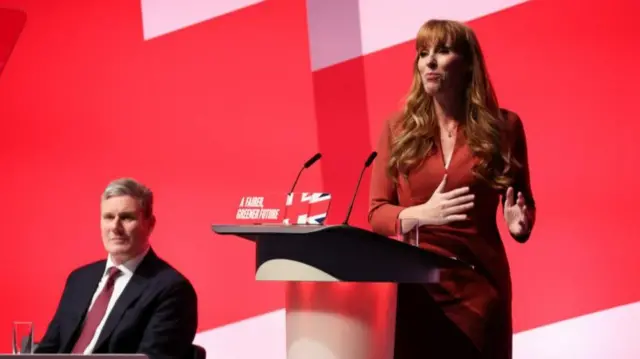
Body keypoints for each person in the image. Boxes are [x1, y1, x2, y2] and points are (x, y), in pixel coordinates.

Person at [368, 19, 536, 359]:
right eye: (422, 53)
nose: (429, 61)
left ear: (467, 62)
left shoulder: (504, 128)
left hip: (480, 288)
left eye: (442, 51)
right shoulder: (397, 129)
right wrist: (420, 214)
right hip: (418, 288)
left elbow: (523, 204)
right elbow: (376, 213)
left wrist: (521, 223)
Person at [35, 178, 198, 359]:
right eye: (109, 217)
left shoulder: (172, 289)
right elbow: (47, 350)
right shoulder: (79, 280)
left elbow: (154, 356)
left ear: (150, 224)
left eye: (127, 217)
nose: (115, 227)